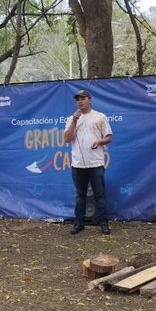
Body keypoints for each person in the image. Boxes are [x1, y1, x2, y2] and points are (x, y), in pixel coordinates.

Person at [63, 89, 113, 235]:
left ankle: (103, 224)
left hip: (96, 163)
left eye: (83, 98)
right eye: (77, 99)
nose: (80, 101)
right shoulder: (71, 119)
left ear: (89, 100)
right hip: (78, 164)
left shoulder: (100, 117)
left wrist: (99, 141)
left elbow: (109, 137)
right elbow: (66, 138)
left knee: (100, 195)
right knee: (80, 195)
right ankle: (79, 223)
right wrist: (74, 120)